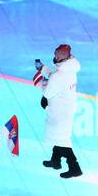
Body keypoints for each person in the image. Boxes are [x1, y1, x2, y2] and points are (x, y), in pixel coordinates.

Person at [38, 43, 83, 178]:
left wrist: (42, 84)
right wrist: (44, 69)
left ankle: (74, 167)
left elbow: (48, 92)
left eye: (55, 56)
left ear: (59, 57)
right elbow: (55, 78)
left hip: (59, 111)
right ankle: (55, 161)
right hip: (66, 108)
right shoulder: (69, 71)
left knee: (62, 140)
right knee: (59, 136)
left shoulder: (60, 75)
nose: (54, 57)